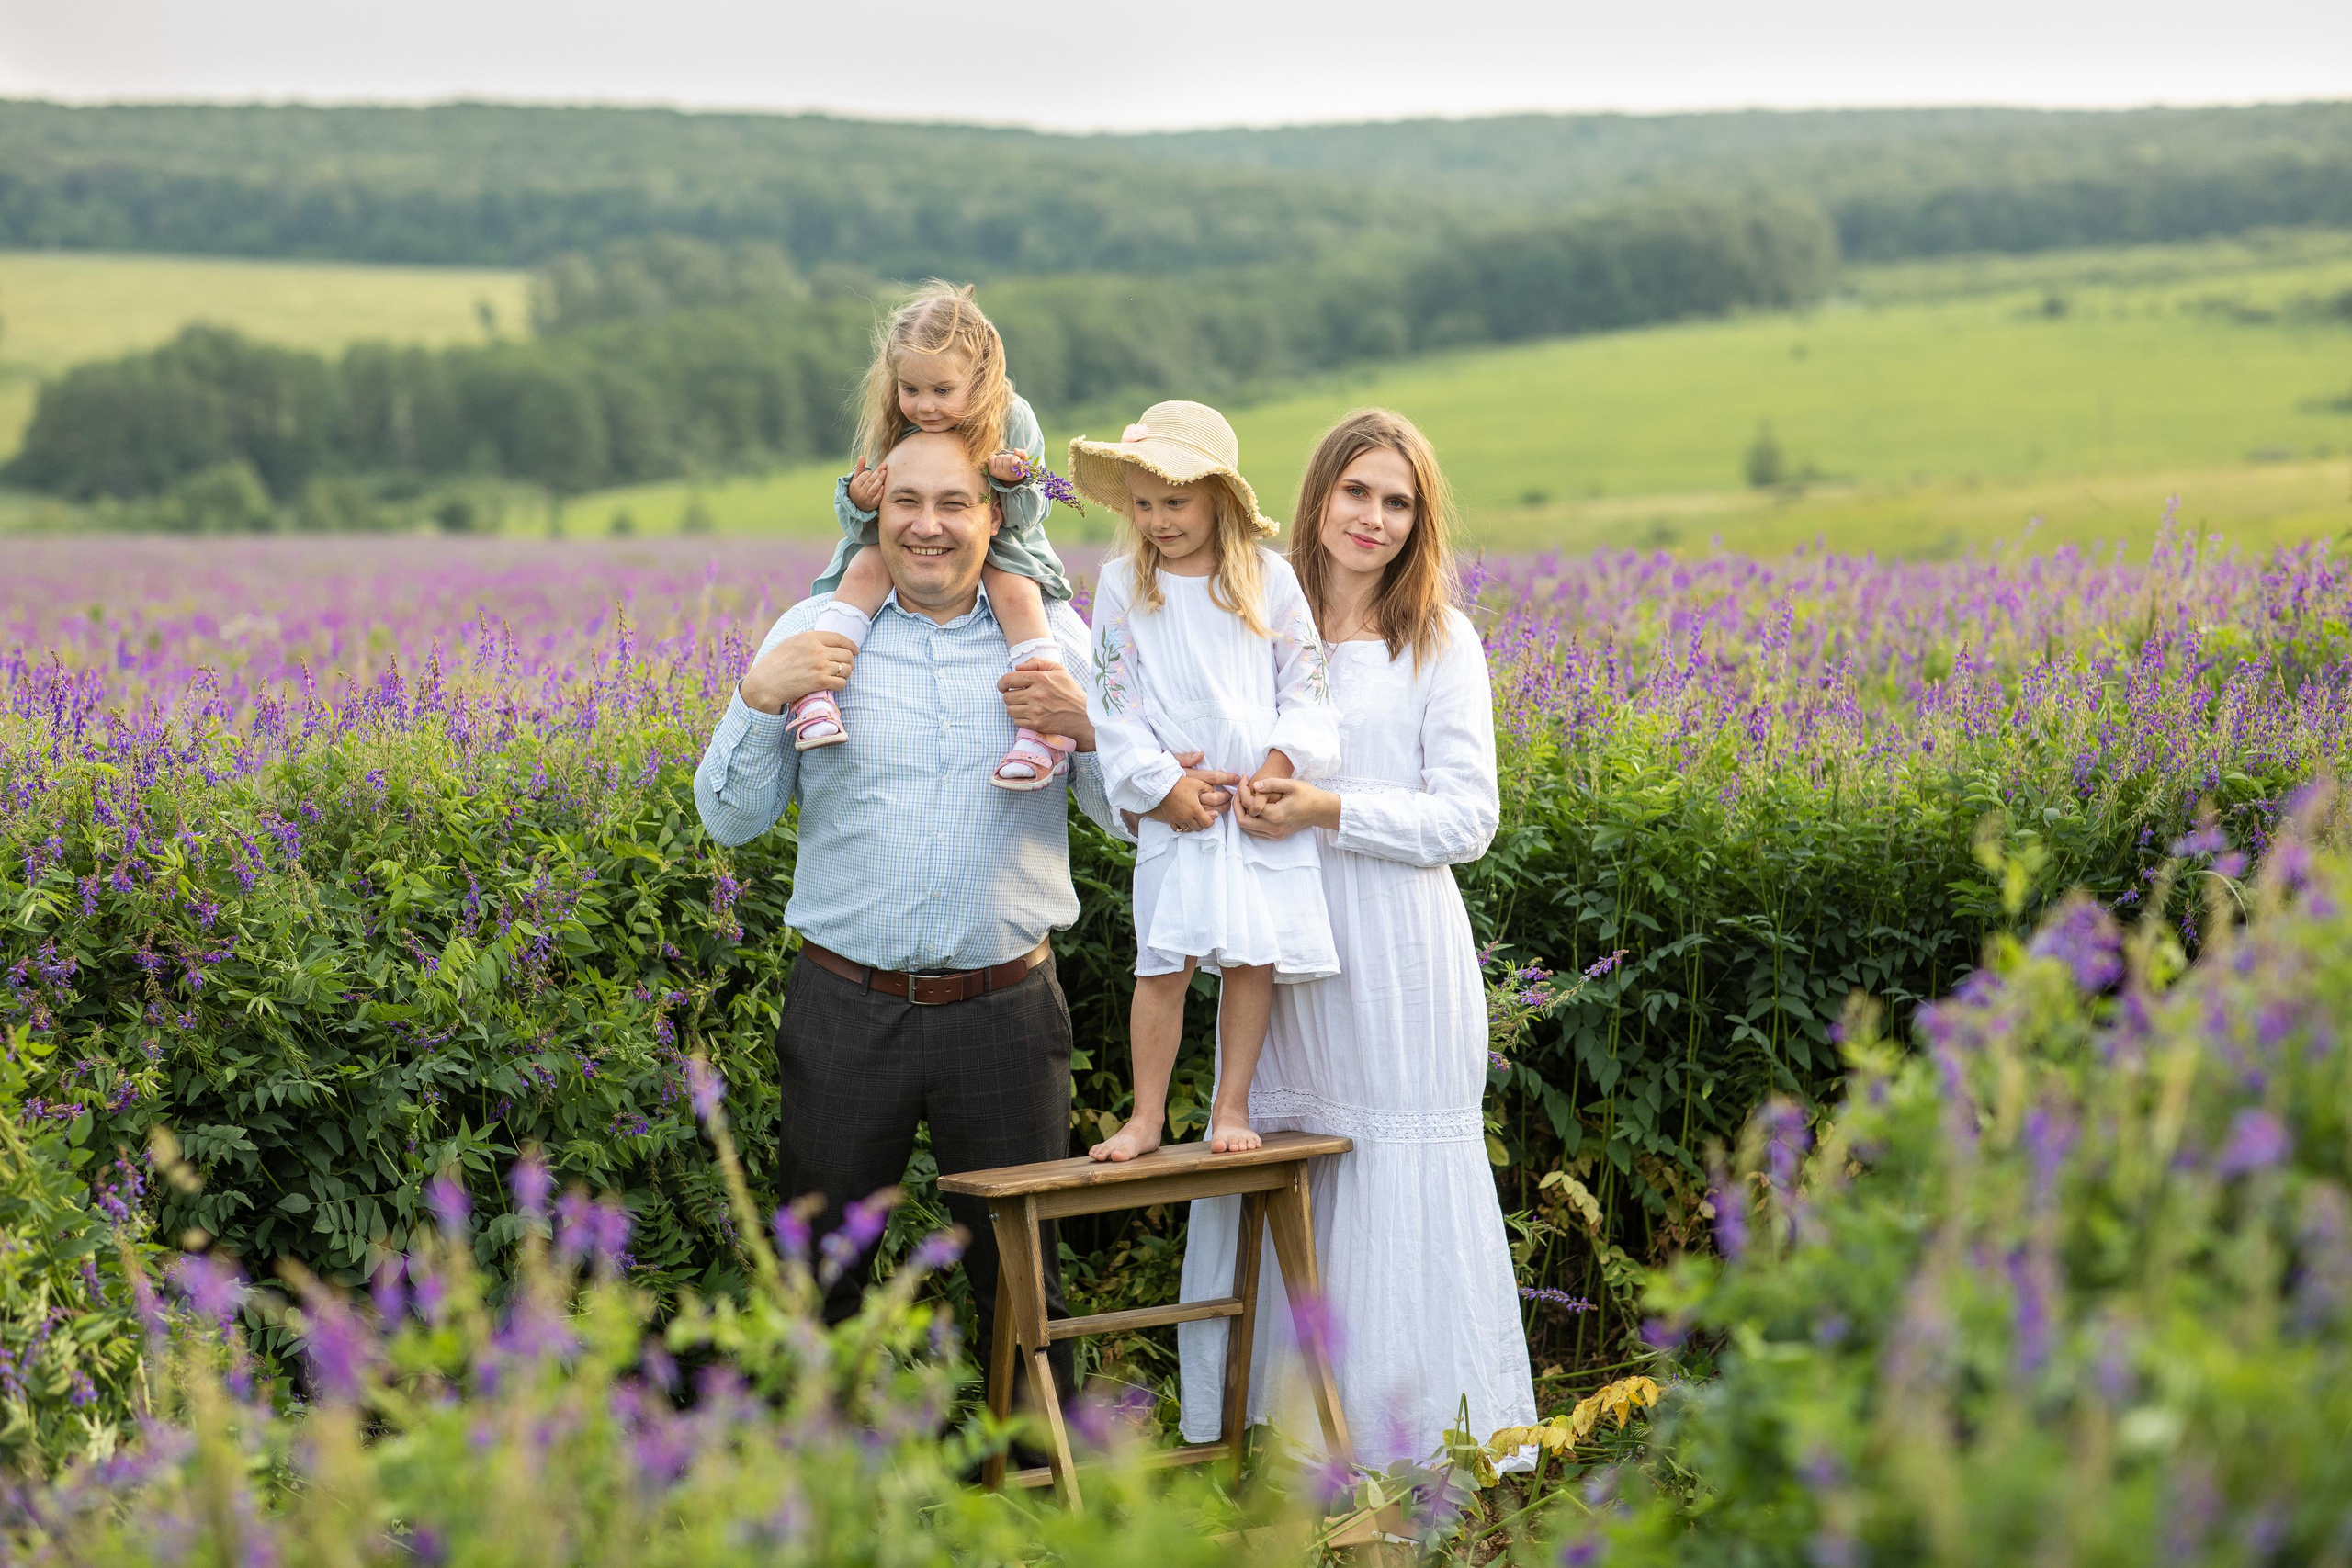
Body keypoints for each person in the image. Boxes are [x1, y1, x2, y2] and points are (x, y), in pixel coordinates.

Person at [693, 425, 1114, 1399]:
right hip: (846, 1009)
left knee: (1023, 1285)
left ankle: (1035, 1476)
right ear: (873, 510)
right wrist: (756, 697)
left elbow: (1128, 821)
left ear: (995, 514)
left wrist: (1089, 730)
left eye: (953, 503)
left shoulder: (1055, 639)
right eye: (907, 503)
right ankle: (823, 1477)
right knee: (819, 1279)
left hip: (1007, 1012)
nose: (928, 526)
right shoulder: (814, 628)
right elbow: (729, 819)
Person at [1175, 408, 1538, 1467]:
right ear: (1319, 494)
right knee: (1278, 1155)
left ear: (1419, 521)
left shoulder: (1439, 641)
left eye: (1397, 502)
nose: (1373, 518)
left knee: (1388, 1171)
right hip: (1275, 946)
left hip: (1397, 954)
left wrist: (1325, 808)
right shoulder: (1253, 622)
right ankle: (1275, 1438)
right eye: (1356, 491)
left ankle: (1404, 1449)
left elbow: (1467, 820)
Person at [1071, 401, 1342, 1161]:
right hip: (1179, 804)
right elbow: (1113, 703)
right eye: (1143, 504)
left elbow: (1309, 689)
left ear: (1220, 498)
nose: (1158, 520)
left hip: (1257, 804)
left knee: (1252, 958)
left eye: (1176, 502)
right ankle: (1146, 1117)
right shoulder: (1124, 584)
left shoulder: (1268, 578)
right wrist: (1163, 788)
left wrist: (1276, 775)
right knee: (1163, 961)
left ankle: (1232, 1105)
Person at [791, 283, 1079, 790]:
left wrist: (1013, 482)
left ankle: (1043, 729)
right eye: (911, 389)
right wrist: (859, 498)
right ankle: (815, 692)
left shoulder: (1011, 417)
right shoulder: (893, 420)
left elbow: (1030, 514)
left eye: (942, 391)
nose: (924, 406)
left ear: (981, 378)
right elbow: (866, 520)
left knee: (1017, 593)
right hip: (908, 547)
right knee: (864, 566)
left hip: (1002, 542)